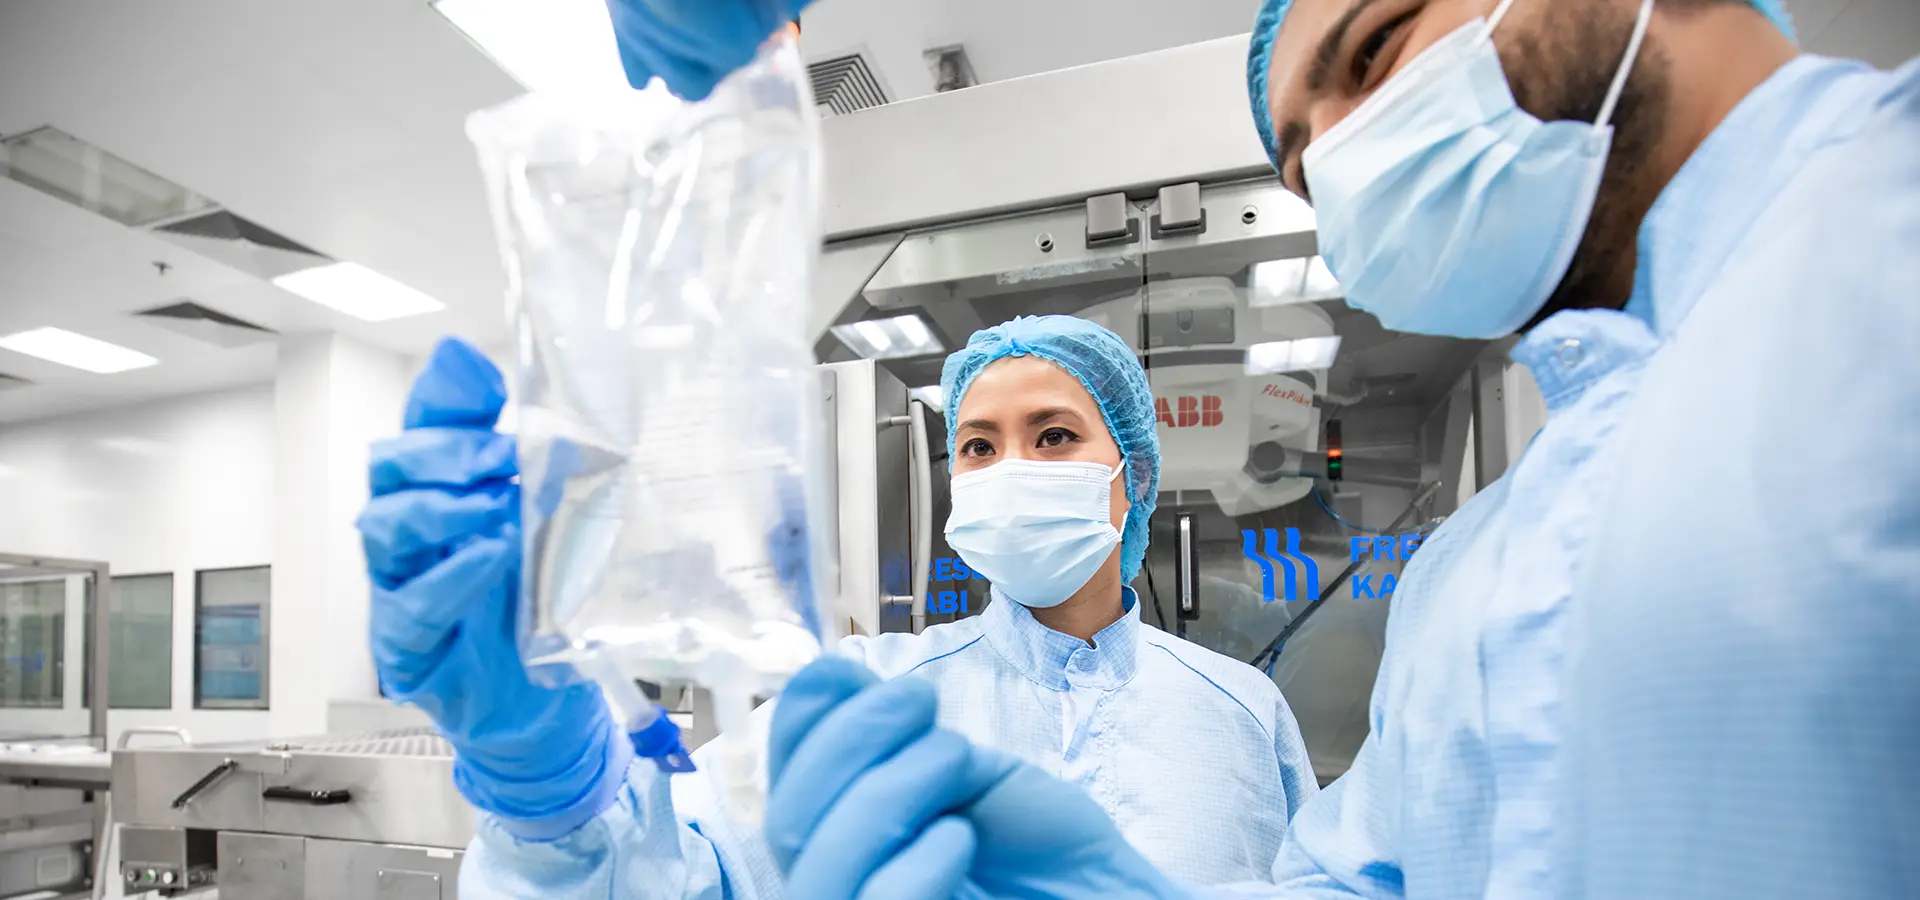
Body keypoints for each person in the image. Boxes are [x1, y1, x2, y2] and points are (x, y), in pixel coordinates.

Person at [723, 0, 1920, 897]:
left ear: (1129, 482)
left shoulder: (1883, 248)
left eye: (1377, 49)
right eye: (1305, 158)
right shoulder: (1471, 583)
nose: (1347, 155)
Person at [356, 317, 1319, 898]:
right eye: (978, 446)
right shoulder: (866, 697)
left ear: (1132, 480)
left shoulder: (1242, 712)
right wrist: (551, 784)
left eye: (1054, 434)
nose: (1008, 467)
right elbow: (666, 876)